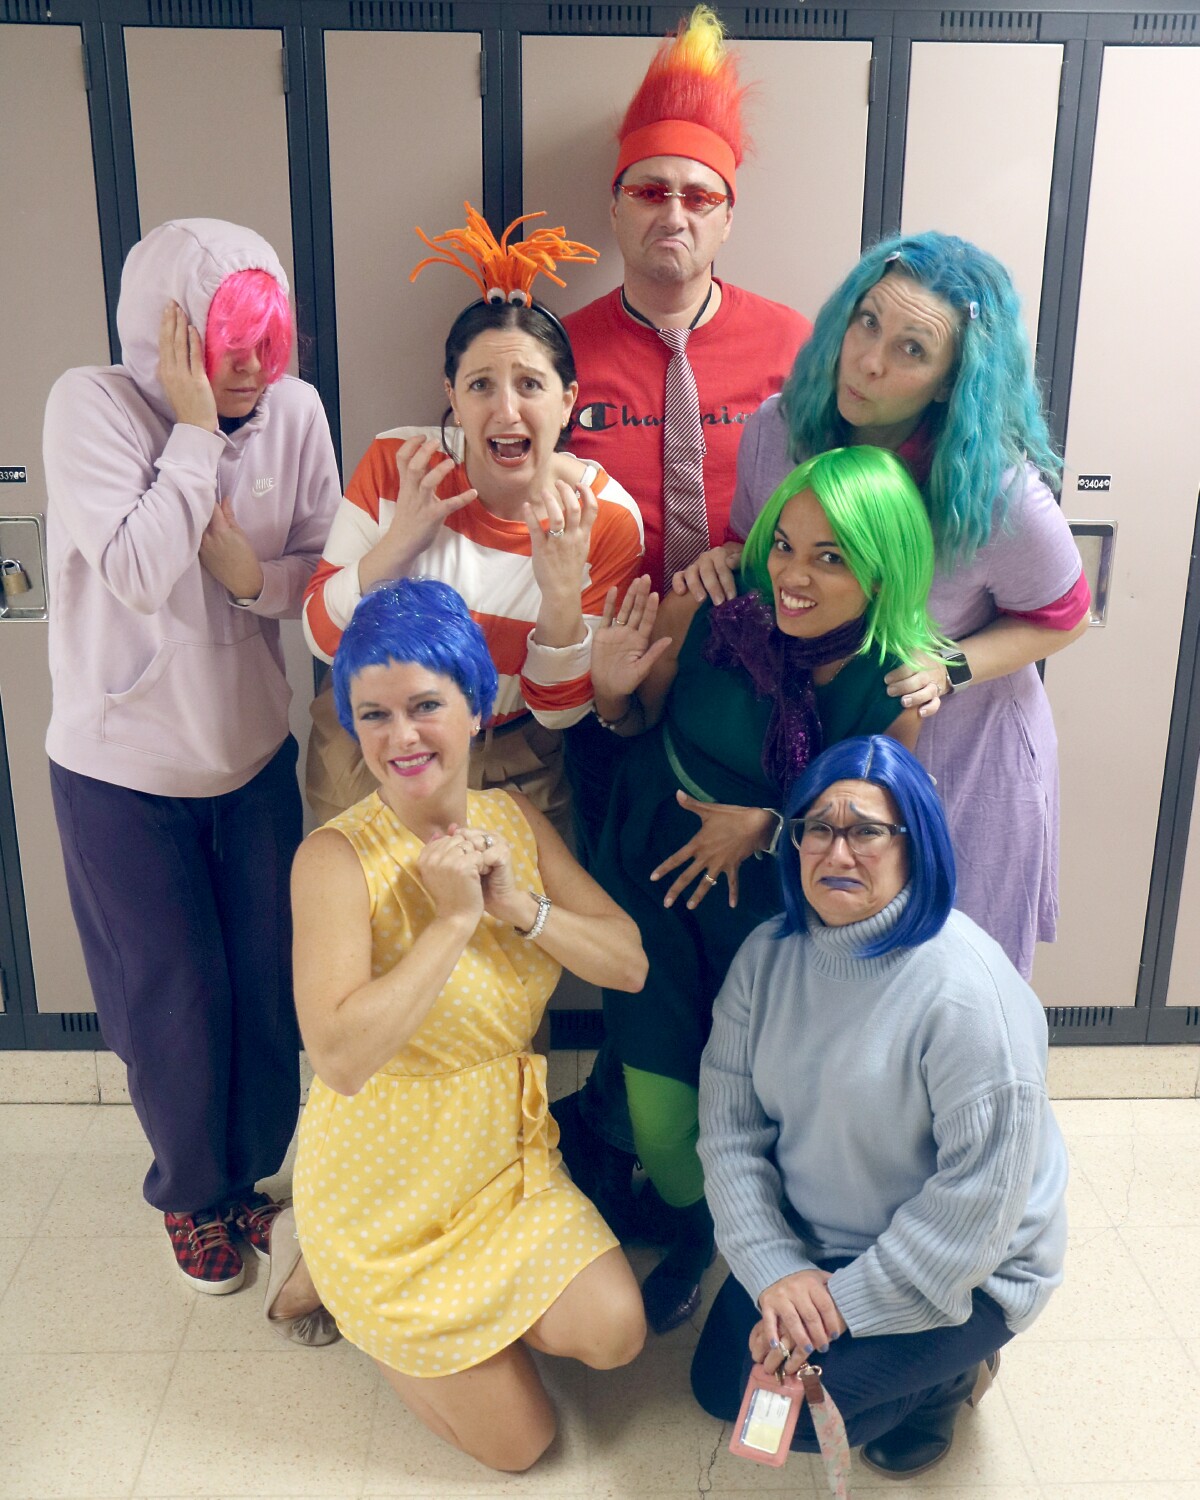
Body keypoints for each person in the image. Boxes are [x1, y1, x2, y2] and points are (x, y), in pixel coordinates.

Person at [279, 579, 647, 1469]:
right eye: (373, 715)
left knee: (616, 1331)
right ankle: (340, 1280)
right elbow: (339, 1060)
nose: (400, 737)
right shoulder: (333, 860)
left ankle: (461, 1324)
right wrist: (450, 922)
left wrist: (521, 907)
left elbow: (628, 963)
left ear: (477, 708)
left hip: (503, 1167)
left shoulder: (513, 821)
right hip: (384, 1191)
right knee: (522, 1445)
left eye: (424, 706)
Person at [581, 445, 949, 1334]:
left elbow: (870, 841)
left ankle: (709, 1232)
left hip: (775, 914)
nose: (791, 575)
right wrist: (611, 694)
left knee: (749, 1099)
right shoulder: (711, 612)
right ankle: (687, 1217)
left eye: (830, 558)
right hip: (655, 878)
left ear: (883, 569)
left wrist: (769, 827)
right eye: (784, 545)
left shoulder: (893, 683)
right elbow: (633, 720)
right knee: (661, 1105)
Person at [42, 218, 342, 1292]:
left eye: (268, 340)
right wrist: (196, 429)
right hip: (120, 771)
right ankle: (188, 1193)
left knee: (262, 984)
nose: (253, 367)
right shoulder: (91, 405)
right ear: (165, 337)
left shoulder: (296, 412)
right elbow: (133, 567)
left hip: (249, 756)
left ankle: (245, 1177)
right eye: (226, 343)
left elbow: (323, 573)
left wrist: (250, 577)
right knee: (170, 997)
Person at [679, 231, 1090, 978]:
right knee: (834, 968)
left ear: (949, 382)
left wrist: (951, 665)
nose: (869, 361)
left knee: (952, 973)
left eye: (911, 350)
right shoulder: (781, 428)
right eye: (867, 322)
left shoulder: (996, 490)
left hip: (963, 750)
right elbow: (758, 541)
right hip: (831, 733)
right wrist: (727, 557)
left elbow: (1063, 616)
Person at [691, 734, 1067, 1480]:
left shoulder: (968, 996)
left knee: (803, 1419)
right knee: (716, 1388)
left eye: (866, 831)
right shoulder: (766, 958)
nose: (838, 853)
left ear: (915, 845)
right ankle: (871, 1344)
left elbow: (976, 1210)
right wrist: (775, 1271)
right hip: (818, 1243)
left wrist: (836, 1308)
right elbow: (729, 1134)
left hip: (968, 1267)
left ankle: (951, 1379)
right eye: (818, 828)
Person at [302, 205, 644, 829]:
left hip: (510, 756)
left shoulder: (603, 519)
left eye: (530, 384)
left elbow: (559, 712)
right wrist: (401, 542)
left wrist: (560, 596)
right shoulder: (399, 464)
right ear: (452, 397)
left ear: (567, 400)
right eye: (481, 384)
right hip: (370, 746)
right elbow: (321, 637)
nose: (506, 410)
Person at [563, 4, 810, 591]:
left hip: (760, 624)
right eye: (651, 193)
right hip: (599, 624)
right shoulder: (555, 349)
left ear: (727, 220)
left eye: (699, 199)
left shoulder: (794, 343)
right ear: (615, 208)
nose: (674, 217)